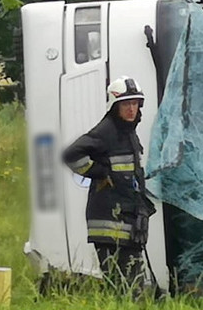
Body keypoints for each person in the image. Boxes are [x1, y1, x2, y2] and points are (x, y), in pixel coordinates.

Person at [63, 76, 156, 296]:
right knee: (123, 288)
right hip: (110, 224)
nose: (132, 109)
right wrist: (100, 172)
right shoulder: (107, 131)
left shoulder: (128, 132)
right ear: (114, 107)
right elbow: (70, 154)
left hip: (127, 221)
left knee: (134, 287)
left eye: (135, 104)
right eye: (126, 104)